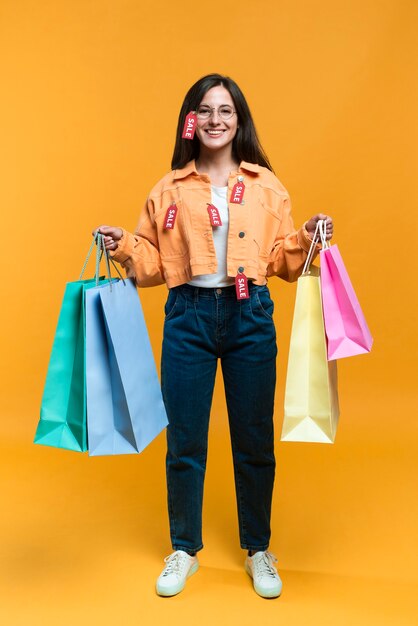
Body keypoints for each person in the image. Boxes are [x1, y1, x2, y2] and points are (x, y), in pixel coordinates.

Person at [95, 73, 333, 599]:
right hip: (188, 316)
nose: (216, 120)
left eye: (226, 111)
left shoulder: (268, 186)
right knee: (185, 442)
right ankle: (184, 549)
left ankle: (259, 551)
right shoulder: (169, 189)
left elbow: (279, 262)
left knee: (253, 439)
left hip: (251, 317)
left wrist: (308, 237)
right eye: (205, 110)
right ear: (191, 120)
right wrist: (124, 247)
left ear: (239, 121)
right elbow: (153, 265)